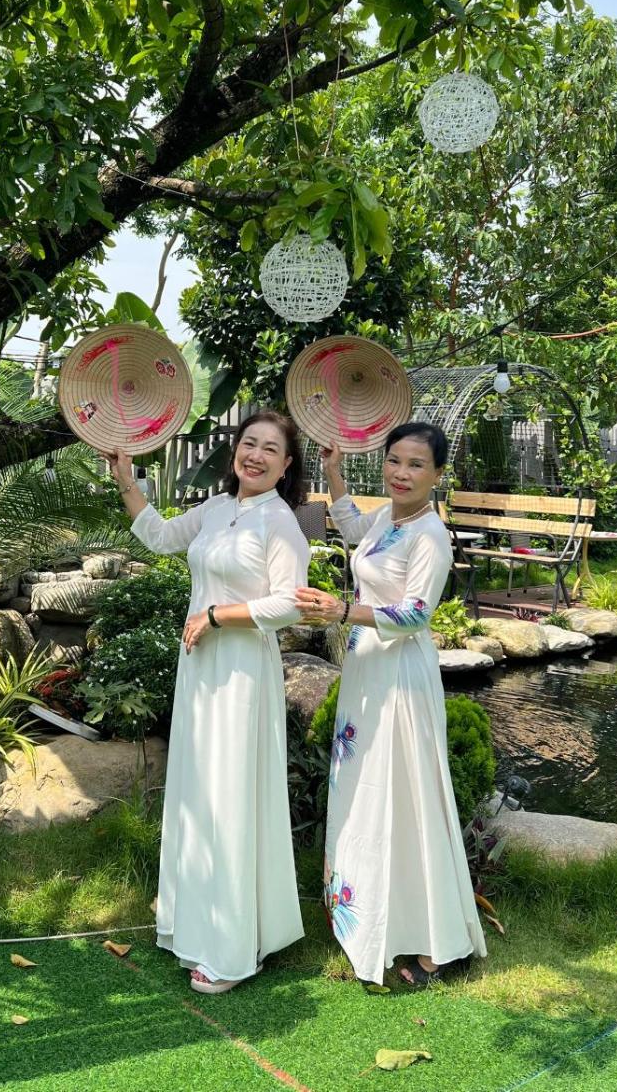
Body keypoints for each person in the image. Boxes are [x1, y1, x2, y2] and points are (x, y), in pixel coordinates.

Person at [106, 411, 310, 995]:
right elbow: (159, 535)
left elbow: (290, 605)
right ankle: (195, 922)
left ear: (286, 465)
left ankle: (233, 949)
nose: (256, 455)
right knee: (199, 791)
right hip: (200, 668)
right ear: (235, 450)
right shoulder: (217, 509)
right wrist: (126, 478)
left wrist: (218, 616)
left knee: (230, 796)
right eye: (249, 443)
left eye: (270, 449)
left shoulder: (281, 524)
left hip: (242, 672)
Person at [296, 421, 487, 989]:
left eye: (416, 465)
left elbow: (415, 614)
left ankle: (435, 943)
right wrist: (334, 470)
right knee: (367, 789)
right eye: (394, 460)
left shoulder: (431, 536)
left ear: (438, 474)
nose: (401, 473)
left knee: (407, 795)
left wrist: (341, 611)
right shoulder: (390, 518)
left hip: (400, 677)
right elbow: (353, 525)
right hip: (366, 673)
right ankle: (371, 913)